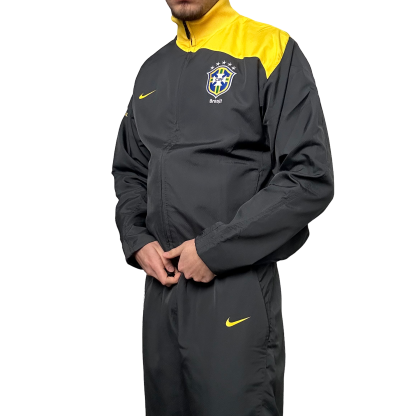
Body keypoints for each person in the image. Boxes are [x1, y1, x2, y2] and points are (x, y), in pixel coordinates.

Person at [112, 0, 335, 414]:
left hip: (234, 292)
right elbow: (130, 171)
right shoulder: (152, 70)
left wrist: (214, 250)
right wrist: (136, 239)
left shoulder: (268, 49)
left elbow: (309, 177)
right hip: (161, 295)